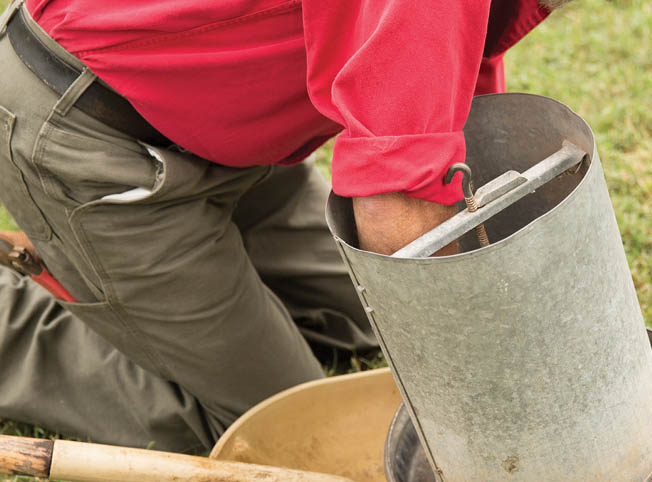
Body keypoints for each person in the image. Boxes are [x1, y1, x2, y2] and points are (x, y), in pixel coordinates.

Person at [0, 0, 563, 453]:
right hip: (91, 131)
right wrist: (486, 404)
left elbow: (453, 90)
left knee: (355, 319)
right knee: (293, 437)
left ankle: (167, 294)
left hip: (230, 134)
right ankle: (16, 317)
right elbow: (399, 202)